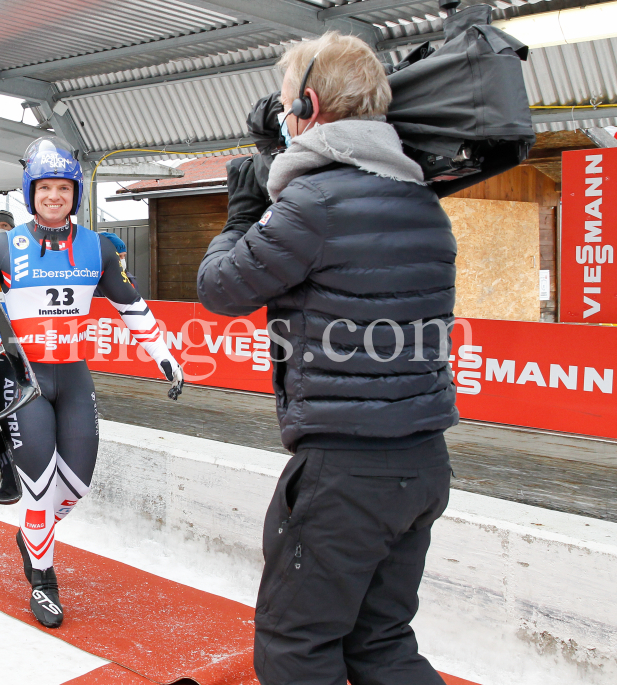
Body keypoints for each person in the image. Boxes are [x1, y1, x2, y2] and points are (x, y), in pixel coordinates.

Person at [196, 32, 458, 685]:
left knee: (297, 647)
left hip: (344, 475)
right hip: (420, 464)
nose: (283, 120)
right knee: (382, 642)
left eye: (288, 107)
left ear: (310, 105)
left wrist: (244, 207)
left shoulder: (313, 204)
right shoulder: (420, 200)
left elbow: (220, 287)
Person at [0, 137, 183, 629]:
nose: (54, 196)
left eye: (63, 188)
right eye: (45, 188)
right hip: (23, 379)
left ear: (75, 193)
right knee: (38, 488)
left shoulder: (98, 246)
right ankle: (43, 575)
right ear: (31, 192)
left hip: (73, 378)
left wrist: (163, 354)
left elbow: (130, 305)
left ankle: (34, 533)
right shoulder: (3, 245)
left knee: (74, 487)